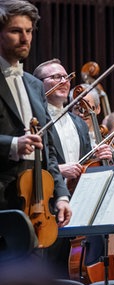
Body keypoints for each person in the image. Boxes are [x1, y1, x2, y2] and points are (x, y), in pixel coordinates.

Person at [33, 59, 113, 277]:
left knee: (71, 271)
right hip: (47, 207)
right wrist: (59, 169)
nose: (64, 81)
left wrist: (99, 157)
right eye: (55, 77)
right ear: (38, 84)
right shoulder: (36, 120)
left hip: (77, 206)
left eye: (66, 76)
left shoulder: (78, 122)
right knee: (49, 272)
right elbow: (31, 165)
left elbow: (85, 165)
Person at [0, 0, 71, 226]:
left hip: (38, 203)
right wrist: (12, 144)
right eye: (15, 31)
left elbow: (47, 147)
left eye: (29, 31)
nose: (25, 38)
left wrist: (60, 195)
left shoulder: (35, 85)